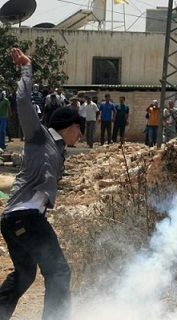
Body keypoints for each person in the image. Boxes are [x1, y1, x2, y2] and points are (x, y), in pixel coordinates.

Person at [0, 48, 79, 320]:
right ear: (68, 125)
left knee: (25, 273)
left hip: (15, 219)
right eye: (79, 128)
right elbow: (23, 102)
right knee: (58, 270)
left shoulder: (58, 150)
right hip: (25, 217)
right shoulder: (40, 136)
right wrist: (25, 70)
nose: (81, 133)